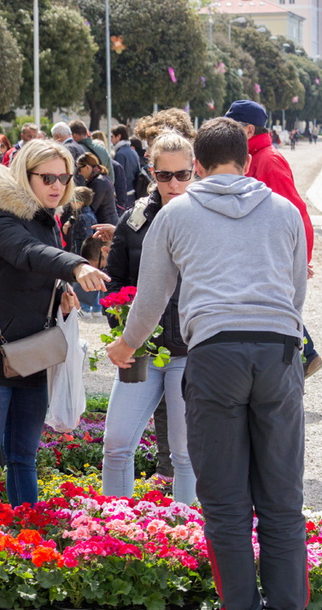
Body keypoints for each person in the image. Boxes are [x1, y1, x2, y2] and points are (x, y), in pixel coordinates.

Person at [106, 117, 309, 610]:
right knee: (282, 496)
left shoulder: (178, 213)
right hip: (279, 350)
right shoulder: (284, 210)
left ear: (196, 166)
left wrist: (127, 346)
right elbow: (295, 295)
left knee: (223, 499)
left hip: (214, 353)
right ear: (247, 161)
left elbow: (150, 297)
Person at [0, 138, 110, 505]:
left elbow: (30, 277)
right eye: (47, 178)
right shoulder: (0, 216)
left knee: (24, 457)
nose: (57, 186)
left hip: (31, 355)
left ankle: (28, 535)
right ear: (26, 176)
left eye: (63, 177)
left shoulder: (46, 218)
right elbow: (27, 253)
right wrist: (74, 264)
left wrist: (61, 300)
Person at [101, 131, 196, 505]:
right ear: (151, 172)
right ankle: (112, 526)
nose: (174, 183)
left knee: (185, 453)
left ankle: (184, 534)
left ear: (196, 171)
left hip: (190, 353)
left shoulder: (208, 217)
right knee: (117, 442)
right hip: (141, 351)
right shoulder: (134, 219)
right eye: (164, 175)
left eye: (183, 174)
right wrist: (120, 326)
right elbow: (115, 282)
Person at [223, 100, 322, 378]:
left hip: (273, 253)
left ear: (248, 129)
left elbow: (294, 212)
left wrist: (300, 259)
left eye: (232, 127)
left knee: (277, 308)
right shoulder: (257, 156)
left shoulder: (268, 159)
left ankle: (305, 357)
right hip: (262, 250)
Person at [75, 153, 119, 228]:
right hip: (105, 223)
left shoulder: (99, 182)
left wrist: (72, 219)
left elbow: (91, 207)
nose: (79, 173)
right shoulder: (100, 178)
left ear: (87, 167)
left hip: (106, 225)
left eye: (79, 169)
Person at [62, 185, 96, 258]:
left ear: (79, 203)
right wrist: (70, 221)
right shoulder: (84, 213)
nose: (70, 203)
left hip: (80, 256)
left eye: (72, 200)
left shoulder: (83, 218)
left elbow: (86, 241)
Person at [112, 124, 141, 208]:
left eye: (112, 136)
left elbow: (119, 177)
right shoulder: (133, 151)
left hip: (124, 195)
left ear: (119, 136)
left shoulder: (120, 154)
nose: (111, 139)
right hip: (133, 193)